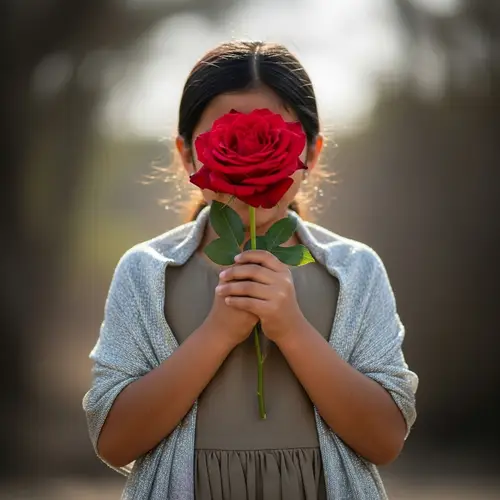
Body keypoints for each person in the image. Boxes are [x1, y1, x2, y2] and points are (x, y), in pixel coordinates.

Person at [83, 41, 418, 500]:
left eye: (278, 141)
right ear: (186, 156)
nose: (253, 160)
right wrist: (217, 332)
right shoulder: (146, 273)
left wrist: (293, 330)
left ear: (313, 154)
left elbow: (384, 439)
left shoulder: (355, 271)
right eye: (225, 137)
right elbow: (114, 439)